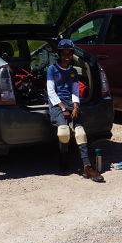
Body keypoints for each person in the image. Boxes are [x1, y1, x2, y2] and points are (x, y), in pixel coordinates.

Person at [47, 38, 104, 183]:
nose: (66, 56)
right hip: (57, 104)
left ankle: (87, 166)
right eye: (64, 53)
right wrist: (63, 108)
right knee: (64, 132)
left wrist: (76, 106)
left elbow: (74, 90)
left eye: (69, 54)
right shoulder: (52, 69)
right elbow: (51, 91)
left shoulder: (72, 71)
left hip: (71, 103)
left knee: (80, 133)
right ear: (59, 54)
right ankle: (64, 158)